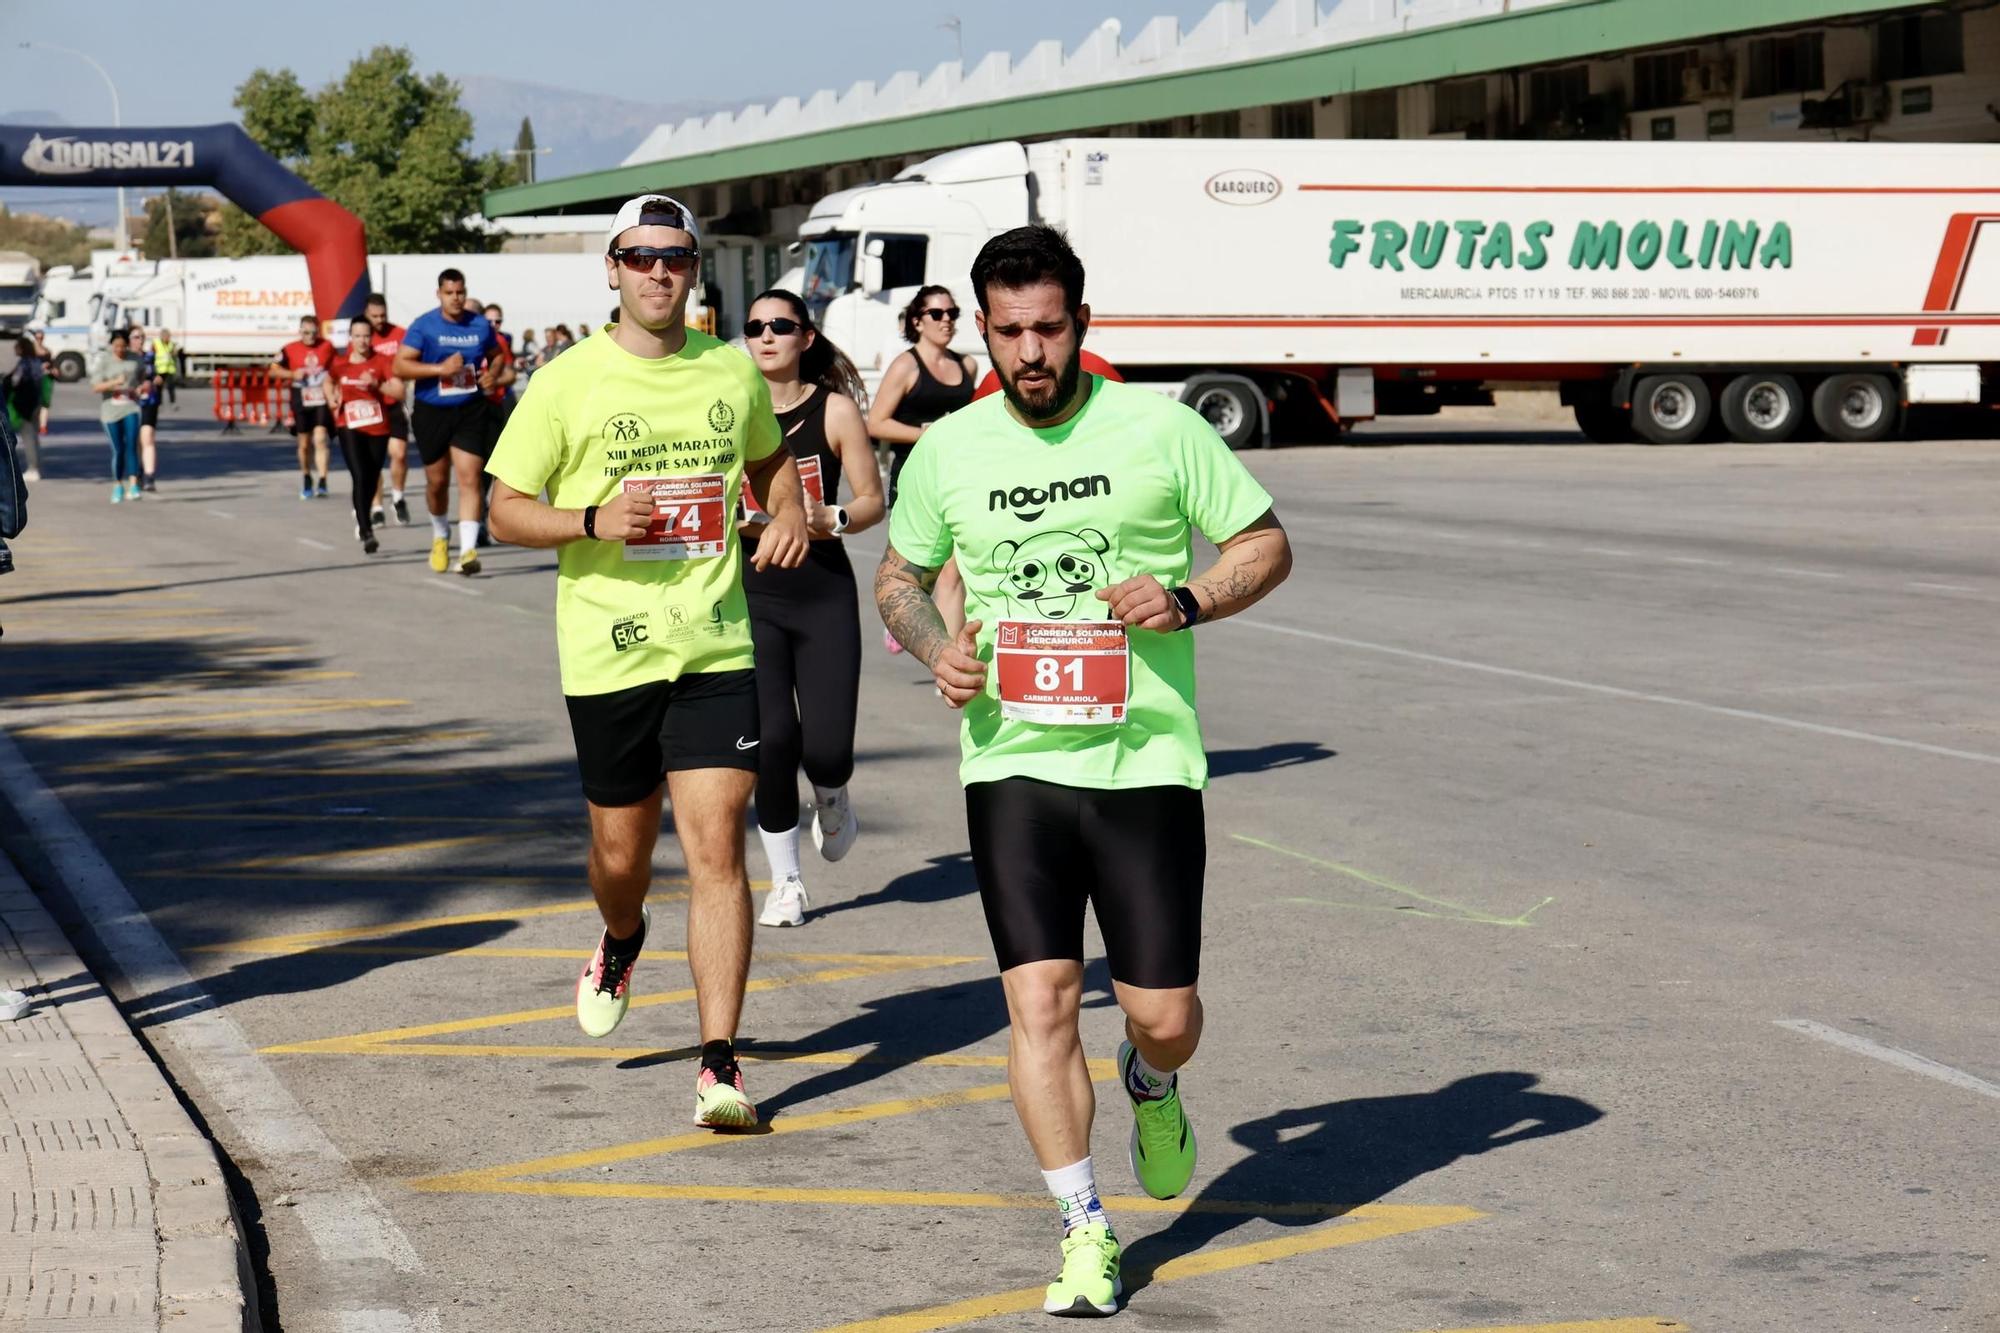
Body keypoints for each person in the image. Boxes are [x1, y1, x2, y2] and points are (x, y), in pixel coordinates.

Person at [874, 224, 1293, 1317]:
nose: (1029, 353)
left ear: (1081, 324)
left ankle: (1151, 1078)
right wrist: (936, 647)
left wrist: (1189, 597)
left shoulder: (1158, 428)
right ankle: (1081, 1226)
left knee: (1162, 1011)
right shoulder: (947, 449)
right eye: (1008, 332)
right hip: (1011, 765)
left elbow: (1263, 543)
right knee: (1041, 1000)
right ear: (980, 332)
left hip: (1146, 760)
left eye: (1048, 329)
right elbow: (899, 577)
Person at [486, 194, 810, 1129]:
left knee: (718, 847)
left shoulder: (731, 370)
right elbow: (507, 507)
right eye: (640, 256)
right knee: (622, 858)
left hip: (714, 645)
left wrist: (786, 513)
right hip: (608, 653)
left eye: (675, 256)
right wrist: (592, 519)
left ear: (694, 268)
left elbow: (770, 463)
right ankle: (622, 935)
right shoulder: (565, 382)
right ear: (613, 269)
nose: (658, 271)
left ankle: (720, 1064)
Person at [736, 289, 884, 929]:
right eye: (755, 326)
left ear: (807, 337)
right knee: (770, 742)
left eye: (780, 326)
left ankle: (832, 792)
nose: (766, 335)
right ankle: (787, 883)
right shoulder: (729, 410)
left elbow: (873, 500)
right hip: (750, 589)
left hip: (821, 588)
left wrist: (835, 516)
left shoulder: (836, 409)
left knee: (824, 748)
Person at [867, 285, 976, 654]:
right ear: (917, 321)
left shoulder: (967, 365)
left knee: (953, 571)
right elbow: (876, 422)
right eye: (936, 314)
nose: (946, 321)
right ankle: (906, 619)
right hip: (914, 477)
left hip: (960, 479)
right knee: (919, 568)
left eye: (952, 313)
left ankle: (948, 659)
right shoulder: (906, 365)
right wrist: (924, 434)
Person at [394, 268, 505, 576]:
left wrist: (492, 373)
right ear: (439, 294)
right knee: (437, 482)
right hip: (432, 411)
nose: (456, 298)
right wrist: (439, 369)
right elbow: (400, 365)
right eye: (449, 293)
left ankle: (468, 551)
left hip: (469, 409)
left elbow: (497, 355)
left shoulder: (480, 325)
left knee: (470, 478)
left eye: (460, 293)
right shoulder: (424, 326)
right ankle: (441, 535)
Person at [325, 316, 404, 556]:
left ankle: (363, 515)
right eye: (357, 336)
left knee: (372, 476)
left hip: (378, 426)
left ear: (372, 338)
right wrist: (332, 398)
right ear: (350, 337)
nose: (362, 341)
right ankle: (367, 530)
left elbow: (398, 391)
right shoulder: (339, 363)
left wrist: (377, 386)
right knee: (359, 475)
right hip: (349, 425)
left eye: (366, 336)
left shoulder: (382, 362)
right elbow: (328, 382)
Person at [270, 314, 338, 500]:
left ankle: (323, 481)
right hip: (301, 397)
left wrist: (335, 389)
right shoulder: (290, 349)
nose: (310, 337)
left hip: (321, 398)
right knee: (304, 444)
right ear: (300, 331)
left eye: (314, 333)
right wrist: (292, 374)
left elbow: (338, 367)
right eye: (306, 333)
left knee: (320, 438)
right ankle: (307, 477)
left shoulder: (327, 346)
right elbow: (273, 369)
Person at [363, 294, 412, 529]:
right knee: (373, 461)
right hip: (371, 406)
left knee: (399, 454)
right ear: (366, 315)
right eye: (374, 316)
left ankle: (399, 498)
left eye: (383, 315)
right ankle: (376, 507)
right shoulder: (362, 336)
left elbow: (410, 360)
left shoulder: (399, 334)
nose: (379, 320)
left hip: (394, 403)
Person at [88, 329, 145, 503]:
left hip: (130, 407)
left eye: (123, 346)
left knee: (132, 444)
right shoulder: (105, 361)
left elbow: (141, 377)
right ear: (111, 345)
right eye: (116, 346)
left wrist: (140, 387)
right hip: (110, 410)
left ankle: (134, 484)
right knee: (118, 449)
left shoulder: (135, 360)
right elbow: (95, 387)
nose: (120, 349)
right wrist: (114, 383)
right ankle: (118, 484)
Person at [4, 337, 45, 482]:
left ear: (22, 348)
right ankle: (36, 466)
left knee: (28, 438)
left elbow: (15, 381)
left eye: (17, 347)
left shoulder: (24, 363)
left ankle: (33, 469)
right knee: (34, 437)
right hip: (36, 402)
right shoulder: (36, 361)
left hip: (25, 404)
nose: (15, 350)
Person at [134, 326, 164, 491]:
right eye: (136, 337)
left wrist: (156, 381)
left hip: (149, 401)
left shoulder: (150, 357)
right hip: (130, 402)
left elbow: (158, 375)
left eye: (142, 337)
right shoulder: (126, 359)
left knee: (148, 437)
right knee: (135, 441)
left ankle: (149, 477)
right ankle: (137, 471)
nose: (140, 340)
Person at [150, 327, 179, 406]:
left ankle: (172, 402)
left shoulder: (171, 344)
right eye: (166, 336)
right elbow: (151, 354)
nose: (168, 338)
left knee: (171, 387)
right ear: (162, 336)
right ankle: (159, 402)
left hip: (169, 369)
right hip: (159, 369)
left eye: (169, 336)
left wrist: (174, 353)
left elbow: (175, 353)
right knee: (159, 387)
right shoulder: (156, 343)